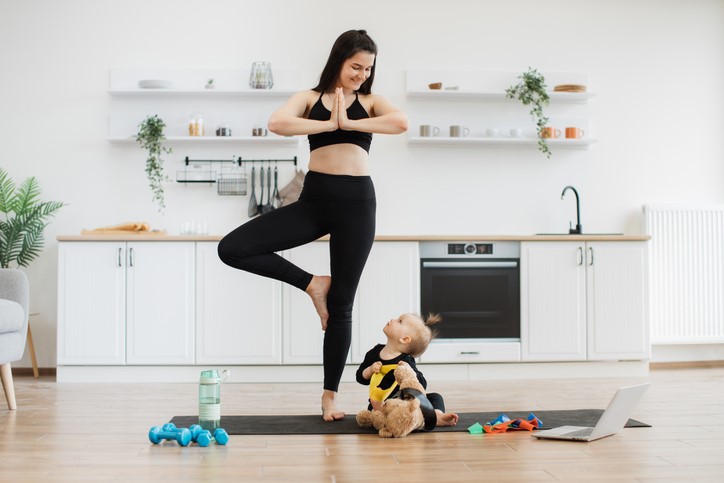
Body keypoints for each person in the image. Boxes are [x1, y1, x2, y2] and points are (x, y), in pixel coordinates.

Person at [217, 29, 408, 422]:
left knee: (341, 306)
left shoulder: (370, 102)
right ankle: (312, 283)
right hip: (315, 200)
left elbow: (401, 122)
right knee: (232, 248)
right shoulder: (309, 98)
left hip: (357, 204)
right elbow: (277, 122)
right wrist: (329, 123)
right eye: (356, 66)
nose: (361, 74)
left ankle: (329, 399)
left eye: (368, 68)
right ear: (338, 60)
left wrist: (351, 124)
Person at [355, 313, 459, 428]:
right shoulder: (374, 353)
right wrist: (369, 371)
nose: (393, 319)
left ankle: (437, 415)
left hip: (405, 405)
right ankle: (394, 421)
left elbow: (421, 386)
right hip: (380, 405)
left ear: (404, 339)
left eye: (399, 321)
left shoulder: (406, 360)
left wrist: (410, 372)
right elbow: (360, 378)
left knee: (435, 397)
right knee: (373, 411)